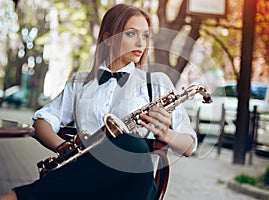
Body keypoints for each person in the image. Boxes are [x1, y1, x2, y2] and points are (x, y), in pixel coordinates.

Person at [0, 3, 197, 200]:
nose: (141, 42)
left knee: (131, 144)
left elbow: (189, 146)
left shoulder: (156, 82)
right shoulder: (79, 83)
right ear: (107, 39)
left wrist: (166, 133)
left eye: (145, 35)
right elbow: (42, 121)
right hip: (84, 185)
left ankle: (20, 197)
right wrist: (64, 147)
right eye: (131, 34)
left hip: (133, 188)